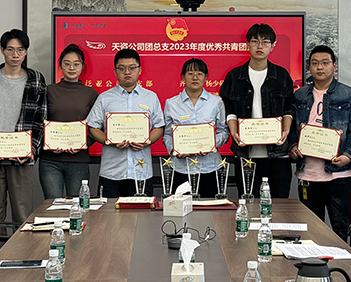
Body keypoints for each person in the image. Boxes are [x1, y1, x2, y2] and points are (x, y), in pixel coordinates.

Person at [0, 29, 47, 237]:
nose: (15, 55)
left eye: (20, 50)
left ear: (26, 52)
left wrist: (31, 151)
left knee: (22, 216)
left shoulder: (36, 80)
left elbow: (41, 121)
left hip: (22, 160)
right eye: (11, 50)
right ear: (2, 50)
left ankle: (21, 254)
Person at [288, 45, 351, 240]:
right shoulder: (299, 95)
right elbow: (291, 128)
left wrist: (348, 156)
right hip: (308, 174)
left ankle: (342, 261)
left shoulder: (347, 94)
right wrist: (293, 146)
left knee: (340, 229)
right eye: (315, 63)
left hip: (338, 174)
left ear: (334, 66)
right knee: (310, 231)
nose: (319, 67)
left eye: (325, 63)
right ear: (309, 67)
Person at [220, 23, 295, 198]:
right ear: (248, 44)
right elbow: (229, 108)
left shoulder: (282, 75)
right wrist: (234, 132)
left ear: (273, 45)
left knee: (279, 203)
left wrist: (285, 130)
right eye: (255, 41)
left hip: (277, 154)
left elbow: (289, 107)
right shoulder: (234, 76)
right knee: (249, 202)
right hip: (245, 153)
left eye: (265, 42)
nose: (260, 46)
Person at [86, 49, 165, 198]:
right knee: (109, 212)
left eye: (132, 68)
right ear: (115, 72)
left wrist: (147, 141)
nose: (127, 72)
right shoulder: (105, 98)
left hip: (141, 172)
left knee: (142, 211)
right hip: (111, 171)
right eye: (121, 68)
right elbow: (93, 128)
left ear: (140, 70)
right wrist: (109, 141)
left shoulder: (151, 97)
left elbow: (159, 126)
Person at [162, 58, 230, 197]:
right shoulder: (172, 103)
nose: (195, 77)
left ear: (206, 77)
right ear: (183, 77)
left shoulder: (216, 102)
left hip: (210, 167)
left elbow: (224, 131)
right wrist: (174, 150)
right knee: (180, 208)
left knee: (210, 208)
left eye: (199, 74)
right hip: (181, 168)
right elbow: (167, 134)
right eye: (190, 73)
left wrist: (210, 145)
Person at [39, 44, 98, 199]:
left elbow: (98, 127)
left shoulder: (91, 94)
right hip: (50, 161)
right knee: (53, 205)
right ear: (60, 65)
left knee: (78, 206)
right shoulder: (48, 91)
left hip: (79, 160)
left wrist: (83, 143)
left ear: (82, 66)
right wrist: (48, 142)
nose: (72, 68)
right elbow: (39, 122)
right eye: (67, 63)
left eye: (76, 64)